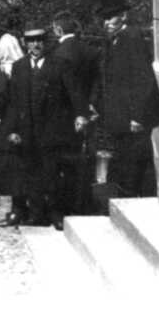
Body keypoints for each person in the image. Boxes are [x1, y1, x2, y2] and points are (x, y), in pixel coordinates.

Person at [94, 0, 159, 198]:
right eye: (103, 19)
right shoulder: (114, 40)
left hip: (134, 119)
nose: (106, 23)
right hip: (121, 116)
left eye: (110, 17)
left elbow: (144, 80)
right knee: (126, 162)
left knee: (136, 164)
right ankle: (130, 198)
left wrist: (137, 117)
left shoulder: (132, 38)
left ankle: (139, 200)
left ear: (123, 16)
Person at [4, 28, 58, 227]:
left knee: (51, 172)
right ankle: (35, 214)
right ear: (25, 44)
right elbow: (13, 101)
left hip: (50, 130)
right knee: (29, 172)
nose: (35, 45)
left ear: (45, 42)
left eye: (39, 41)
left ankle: (55, 213)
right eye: (31, 41)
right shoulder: (19, 66)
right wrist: (12, 130)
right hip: (26, 130)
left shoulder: (57, 64)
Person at [49, 11, 100, 215]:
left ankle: (67, 205)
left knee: (64, 162)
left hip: (63, 115)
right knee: (85, 159)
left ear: (58, 29)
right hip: (88, 112)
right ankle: (85, 202)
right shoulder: (90, 51)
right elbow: (97, 82)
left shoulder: (56, 53)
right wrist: (90, 106)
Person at [0, 33, 28, 227]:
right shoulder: (25, 67)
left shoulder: (4, 71)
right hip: (23, 122)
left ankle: (17, 210)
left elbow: (1, 98)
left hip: (8, 124)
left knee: (11, 167)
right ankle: (23, 206)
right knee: (22, 165)